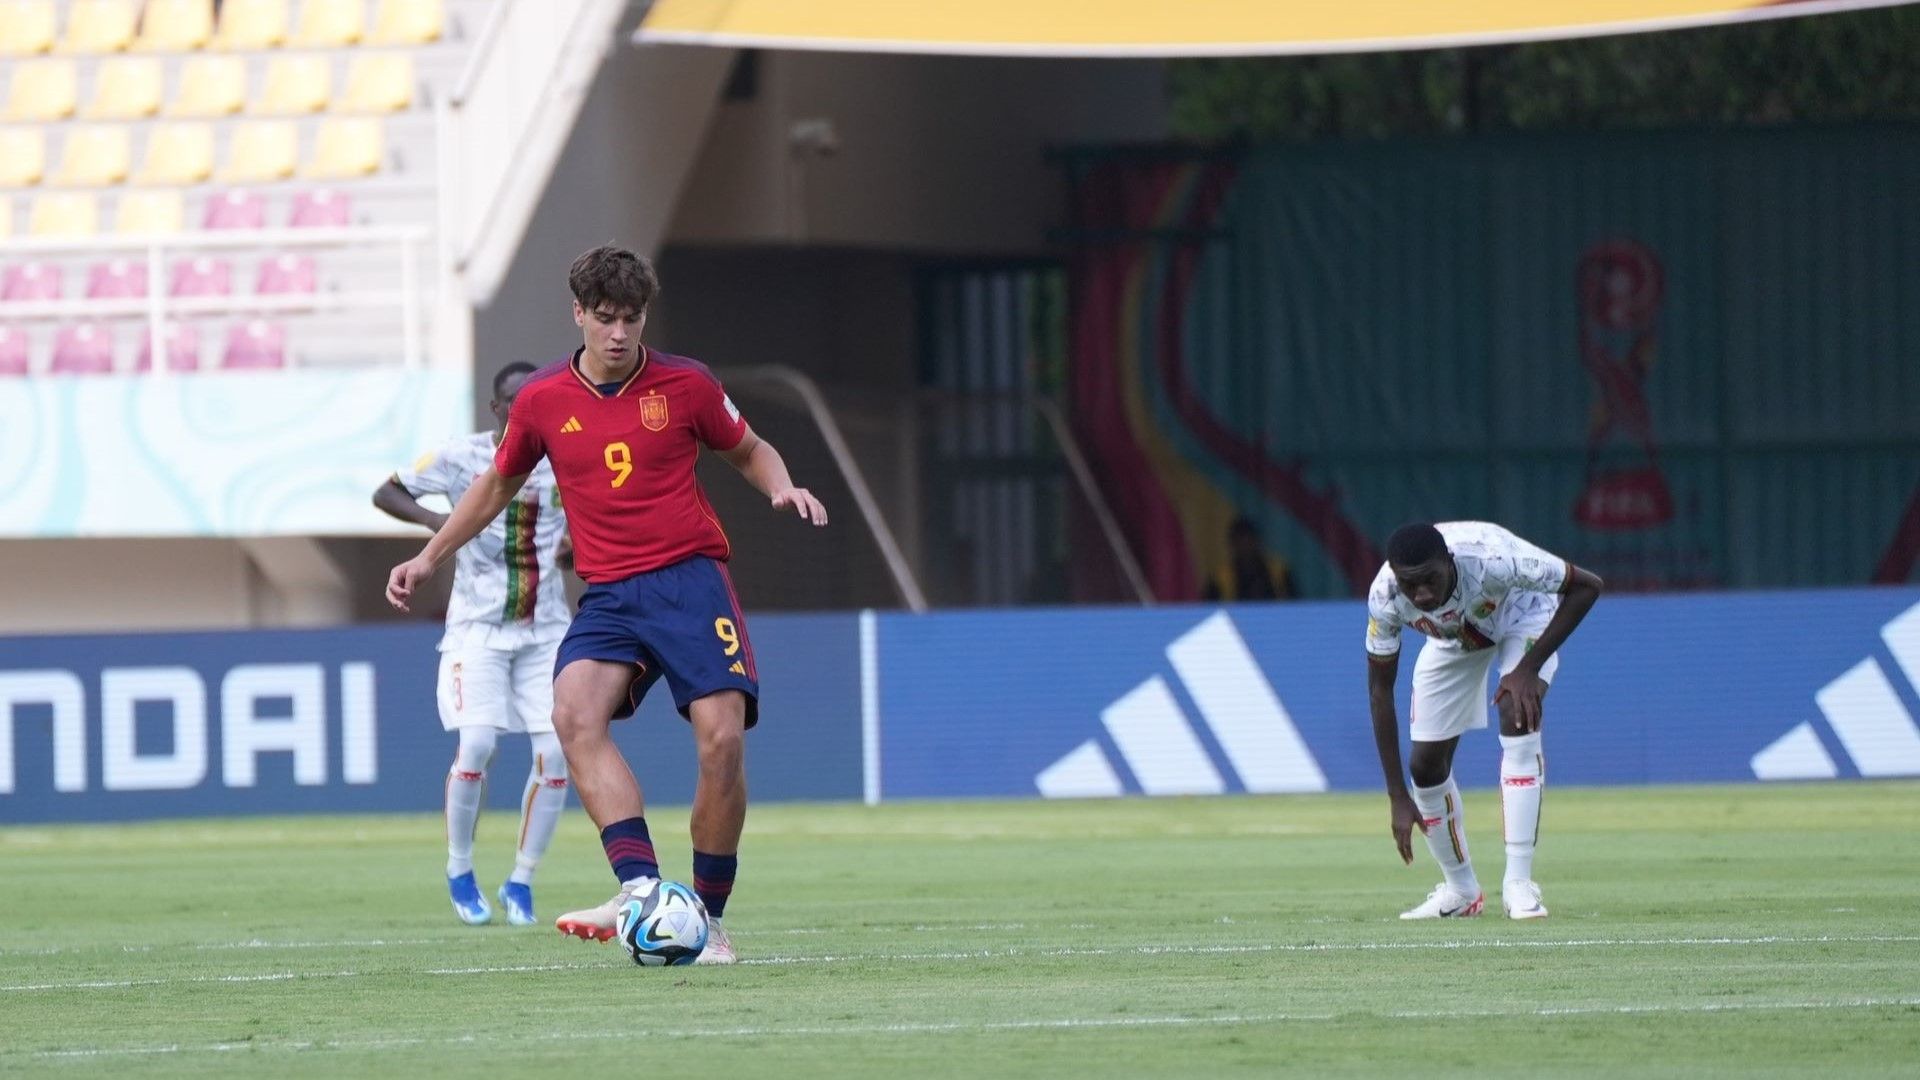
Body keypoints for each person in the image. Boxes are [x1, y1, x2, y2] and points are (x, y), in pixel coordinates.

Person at [385, 245, 827, 965]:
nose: (620, 333)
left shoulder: (686, 384)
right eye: (606, 318)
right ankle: (641, 889)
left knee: (722, 741)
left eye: (632, 318)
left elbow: (749, 449)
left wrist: (780, 486)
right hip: (611, 593)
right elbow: (495, 487)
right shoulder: (543, 400)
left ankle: (707, 920)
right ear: (579, 315)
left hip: (689, 580)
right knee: (571, 714)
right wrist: (428, 556)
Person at [373, 362, 572, 928]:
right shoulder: (461, 457)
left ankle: (522, 880)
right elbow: (386, 491)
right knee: (479, 743)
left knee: (557, 753)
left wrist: (576, 548)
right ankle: (460, 868)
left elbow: (587, 516)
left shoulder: (565, 453)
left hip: (546, 625)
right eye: (515, 403)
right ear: (496, 409)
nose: (526, 411)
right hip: (478, 627)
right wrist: (441, 522)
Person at [1364, 521, 1602, 920]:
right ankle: (1461, 891)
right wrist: (1396, 795)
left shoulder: (1494, 559)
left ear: (1449, 561)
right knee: (1423, 766)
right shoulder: (1385, 595)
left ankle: (1519, 883)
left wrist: (1527, 669)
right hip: (1455, 638)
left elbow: (1587, 586)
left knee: (1516, 709)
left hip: (1521, 615)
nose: (1421, 594)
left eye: (1429, 580)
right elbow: (1379, 690)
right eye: (1411, 585)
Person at [1203, 516, 1298, 601]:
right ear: (1232, 545)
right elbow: (1208, 611)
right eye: (1240, 542)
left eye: (1249, 541)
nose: (1245, 548)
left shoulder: (1278, 572)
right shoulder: (1221, 577)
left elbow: (1296, 604)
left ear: (1257, 542)